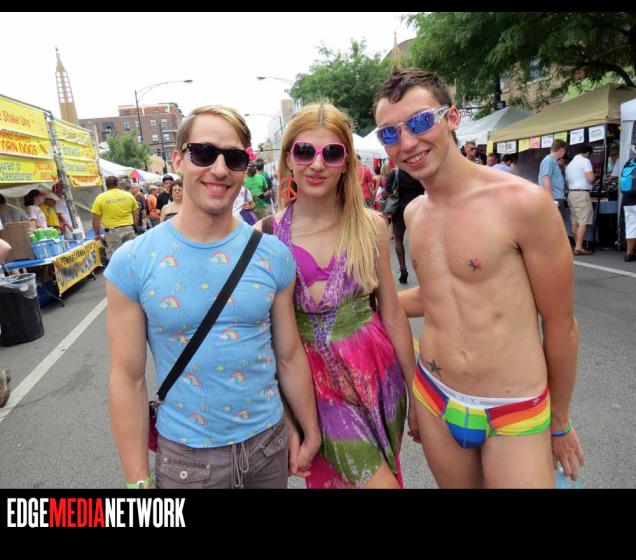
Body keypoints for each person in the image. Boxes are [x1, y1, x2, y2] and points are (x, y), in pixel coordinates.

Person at [374, 67, 584, 488]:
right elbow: (437, 294)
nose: (408, 143)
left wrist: (559, 421)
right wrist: (364, 305)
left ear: (452, 118)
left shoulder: (524, 204)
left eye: (420, 121)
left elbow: (561, 324)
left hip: (514, 409)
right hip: (434, 397)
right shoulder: (415, 213)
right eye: (390, 133)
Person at [105, 104, 320, 489]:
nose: (220, 169)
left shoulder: (273, 255)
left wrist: (309, 429)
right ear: (178, 159)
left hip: (268, 447)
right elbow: (128, 378)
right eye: (203, 153)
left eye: (234, 158)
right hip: (187, 461)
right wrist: (137, 480)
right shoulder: (133, 262)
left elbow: (288, 355)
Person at [259, 102, 418, 489]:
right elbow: (264, 338)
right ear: (289, 158)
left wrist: (418, 398)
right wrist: (286, 418)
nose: (317, 164)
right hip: (313, 389)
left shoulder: (370, 226)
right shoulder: (266, 235)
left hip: (377, 376)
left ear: (346, 162)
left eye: (331, 152)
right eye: (304, 151)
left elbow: (392, 314)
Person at [382, 166, 425, 284]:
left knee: (399, 241)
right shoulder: (419, 171)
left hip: (399, 211)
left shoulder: (395, 173)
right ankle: (422, 271)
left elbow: (385, 194)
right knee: (418, 243)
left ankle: (403, 270)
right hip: (417, 210)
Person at [91, 175, 138, 262]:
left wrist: (97, 233)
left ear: (106, 185)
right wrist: (135, 226)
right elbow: (135, 213)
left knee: (115, 256)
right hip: (128, 228)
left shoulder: (100, 198)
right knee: (131, 253)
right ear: (118, 184)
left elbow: (96, 218)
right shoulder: (128, 195)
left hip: (112, 232)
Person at [565, 144, 595, 256]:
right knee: (583, 221)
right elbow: (590, 178)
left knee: (574, 221)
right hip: (582, 193)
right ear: (587, 153)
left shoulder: (570, 165)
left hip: (571, 193)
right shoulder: (585, 161)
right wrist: (594, 177)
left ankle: (577, 245)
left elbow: (567, 182)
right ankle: (578, 247)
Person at [538, 139, 568, 209]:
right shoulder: (548, 160)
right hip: (554, 198)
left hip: (557, 197)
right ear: (561, 149)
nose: (565, 152)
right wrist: (550, 199)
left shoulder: (553, 161)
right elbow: (546, 179)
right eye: (565, 150)